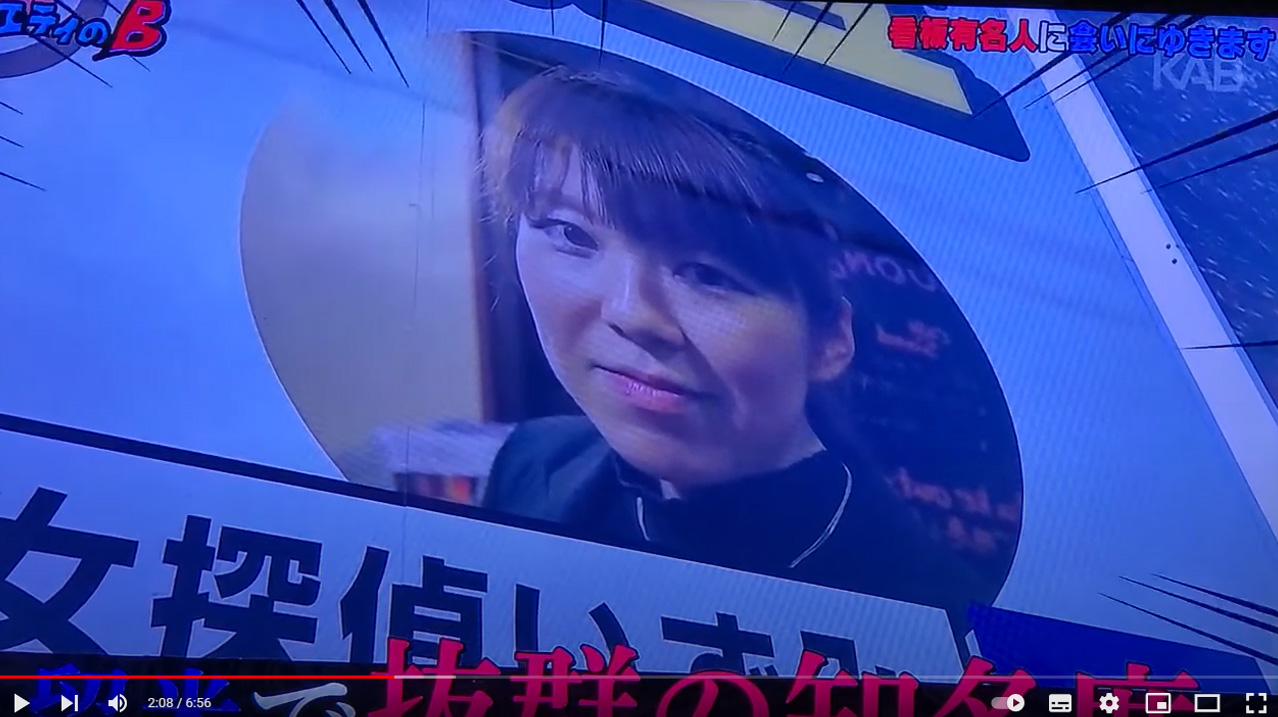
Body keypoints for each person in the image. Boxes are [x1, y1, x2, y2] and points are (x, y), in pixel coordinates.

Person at [479, 66, 987, 632]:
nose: (631, 313)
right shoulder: (533, 463)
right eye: (572, 234)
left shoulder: (941, 624)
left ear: (830, 340)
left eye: (708, 274)